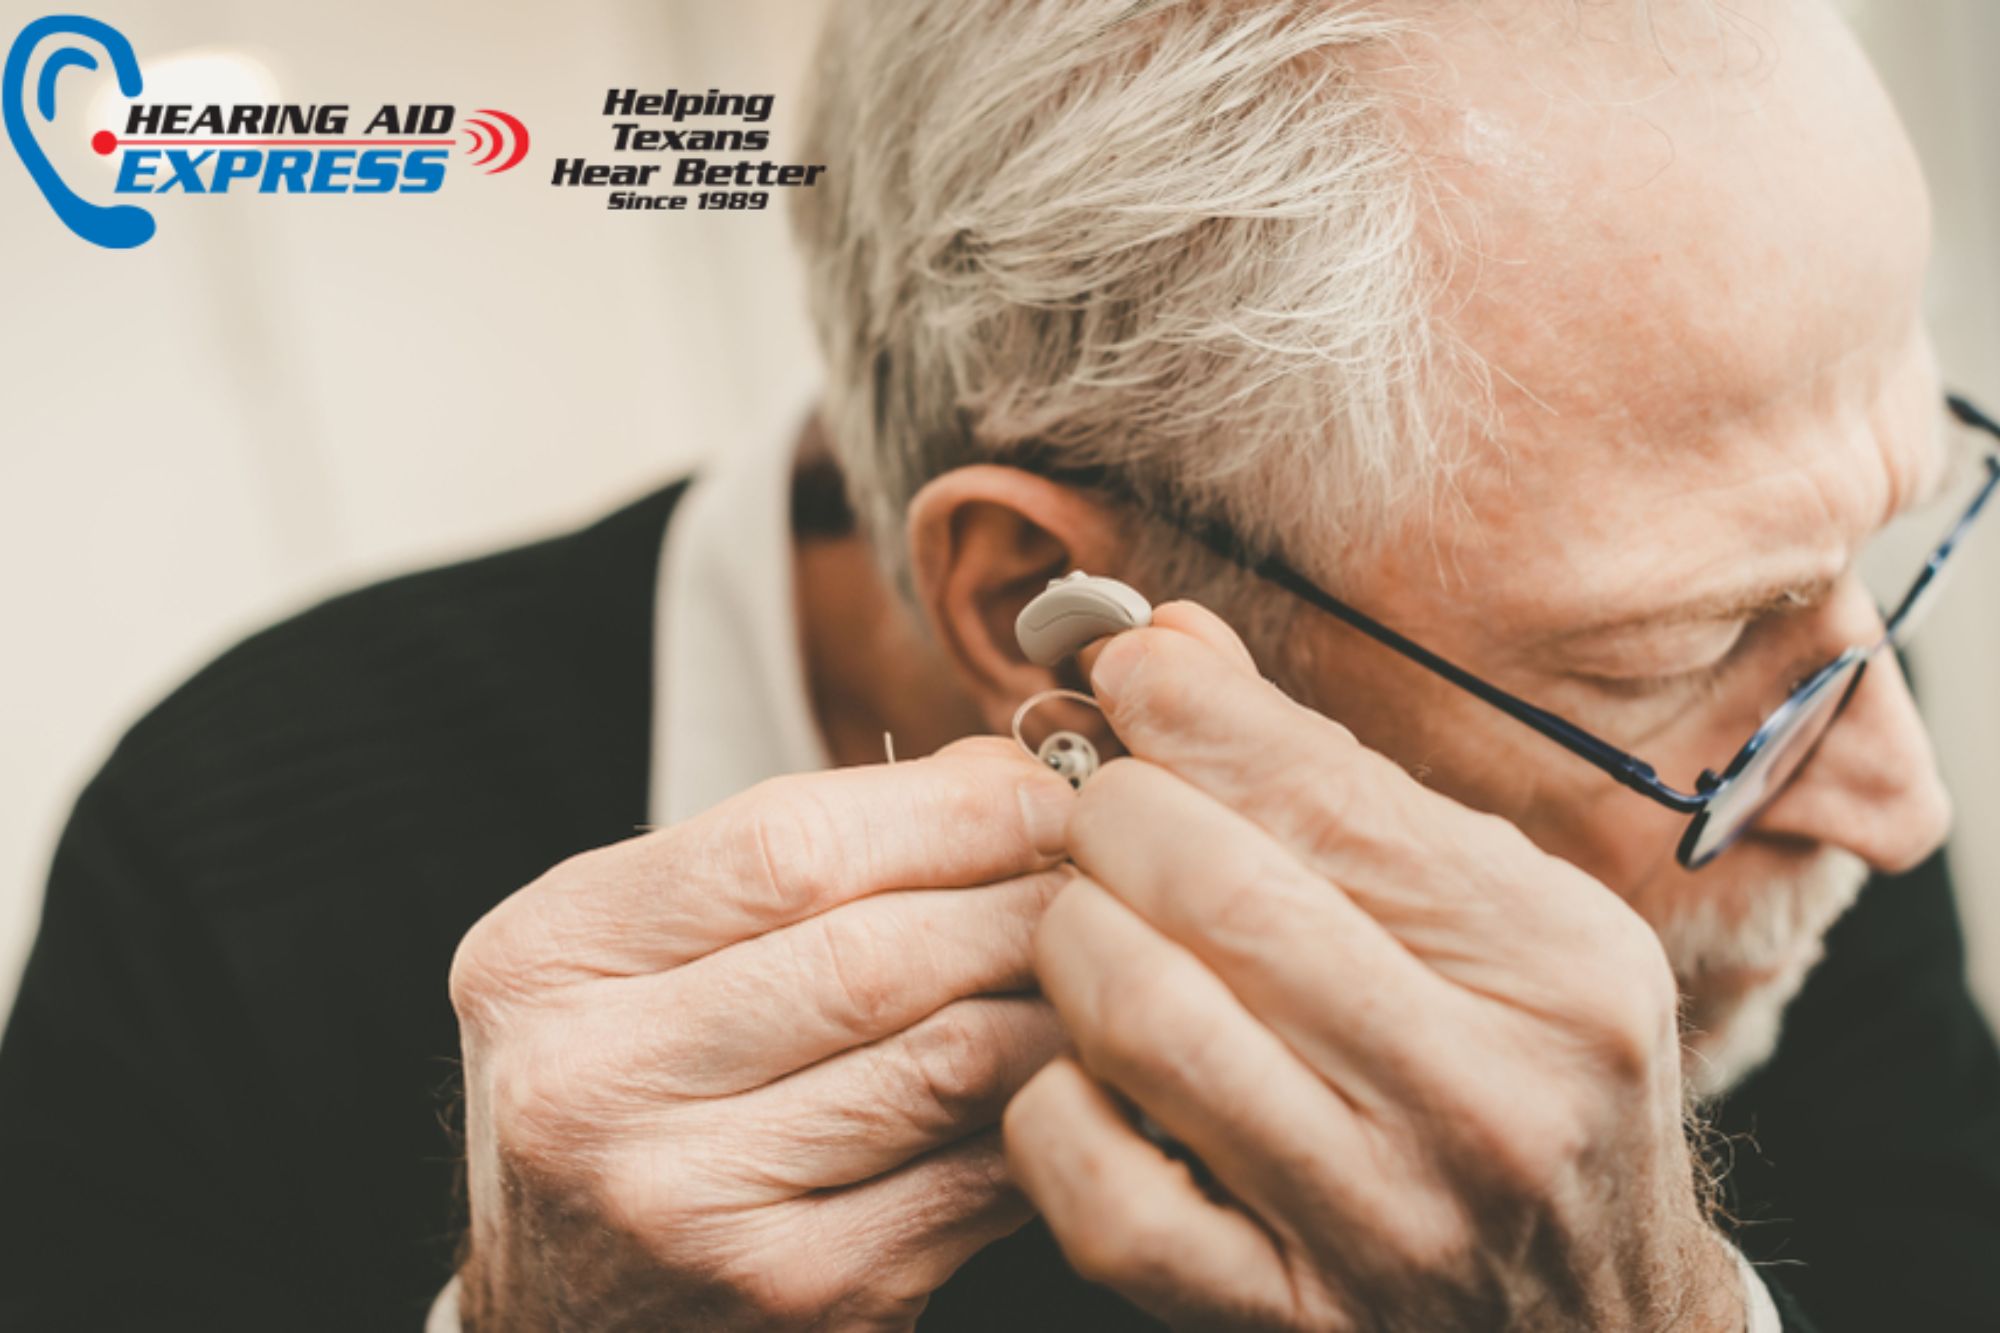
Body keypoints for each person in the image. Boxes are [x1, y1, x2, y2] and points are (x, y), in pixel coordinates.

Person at [4, 0, 1998, 1328]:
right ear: (1052, 621)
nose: (1899, 801)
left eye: (1884, 553)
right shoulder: (229, 868)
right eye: (1686, 643)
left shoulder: (1769, 794)